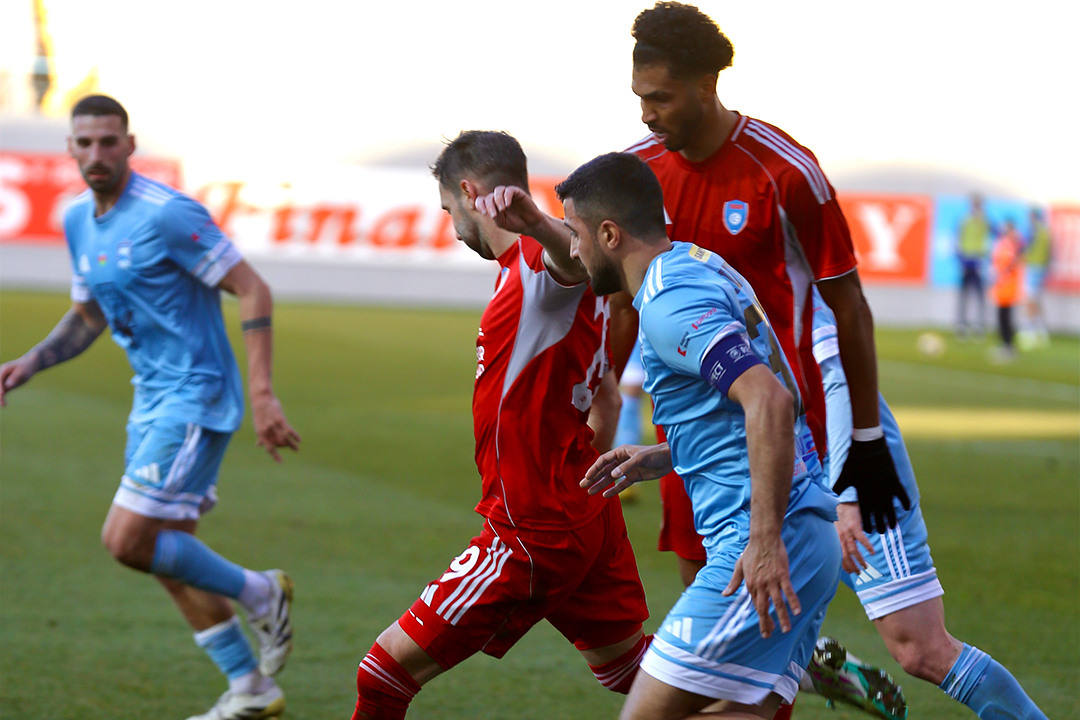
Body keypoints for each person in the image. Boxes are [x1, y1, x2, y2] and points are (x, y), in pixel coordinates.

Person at [620, 5, 909, 715]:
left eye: (661, 97)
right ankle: (811, 666)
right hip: (691, 435)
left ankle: (800, 666)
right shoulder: (639, 173)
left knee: (743, 631)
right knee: (722, 639)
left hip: (775, 428)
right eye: (639, 98)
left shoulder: (784, 171)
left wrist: (866, 437)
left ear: (706, 85)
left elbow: (850, 307)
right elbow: (610, 285)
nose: (647, 114)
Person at [0, 95, 300, 720]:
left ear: (129, 145)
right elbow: (89, 314)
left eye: (108, 141)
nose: (97, 153)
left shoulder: (167, 214)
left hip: (196, 393)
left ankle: (261, 592)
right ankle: (250, 688)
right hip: (150, 399)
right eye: (85, 143)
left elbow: (252, 288)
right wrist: (32, 362)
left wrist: (264, 392)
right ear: (70, 149)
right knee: (166, 554)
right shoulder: (78, 219)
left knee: (126, 539)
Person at [349, 131, 650, 719]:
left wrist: (534, 222)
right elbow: (609, 401)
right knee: (633, 672)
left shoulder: (539, 264)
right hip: (580, 511)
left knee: (381, 676)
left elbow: (567, 258)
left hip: (530, 529)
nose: (453, 227)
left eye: (448, 210)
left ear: (468, 193)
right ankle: (784, 667)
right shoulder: (561, 278)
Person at [564, 151, 842, 720]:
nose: (572, 250)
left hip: (763, 542)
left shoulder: (668, 304)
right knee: (744, 714)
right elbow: (747, 408)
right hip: (808, 534)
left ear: (609, 235)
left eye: (574, 234)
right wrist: (672, 453)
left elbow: (770, 400)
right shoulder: (697, 264)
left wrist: (764, 542)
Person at [808, 287, 1048, 719]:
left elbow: (838, 373)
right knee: (743, 624)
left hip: (853, 479)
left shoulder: (790, 275)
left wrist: (848, 494)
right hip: (785, 475)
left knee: (923, 650)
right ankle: (820, 668)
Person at [956, 194, 992, 339]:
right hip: (966, 261)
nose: (976, 206)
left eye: (979, 204)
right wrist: (961, 260)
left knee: (979, 296)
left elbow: (990, 239)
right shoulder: (965, 220)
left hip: (979, 262)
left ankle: (979, 325)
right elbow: (959, 240)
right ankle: (962, 324)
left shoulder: (985, 221)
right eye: (975, 204)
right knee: (964, 295)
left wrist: (984, 259)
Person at [990, 219, 1024, 362]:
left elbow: (1012, 262)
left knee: (1005, 317)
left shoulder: (1013, 244)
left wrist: (1004, 274)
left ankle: (1008, 346)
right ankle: (1005, 344)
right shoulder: (1004, 243)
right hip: (1002, 285)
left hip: (1008, 286)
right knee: (1002, 316)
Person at [1020, 207, 1052, 348]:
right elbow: (1050, 253)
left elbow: (1025, 249)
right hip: (1041, 268)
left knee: (1030, 300)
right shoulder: (1046, 231)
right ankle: (1042, 331)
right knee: (1037, 300)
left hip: (1033, 267)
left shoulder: (1034, 231)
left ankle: (1030, 331)